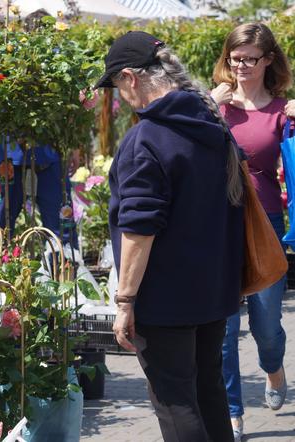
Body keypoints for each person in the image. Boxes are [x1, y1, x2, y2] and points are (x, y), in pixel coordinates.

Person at [97, 31, 244, 441]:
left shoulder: (147, 138)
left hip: (165, 298)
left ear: (130, 77)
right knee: (208, 390)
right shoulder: (210, 122)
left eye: (116, 86)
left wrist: (125, 301)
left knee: (175, 400)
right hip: (213, 289)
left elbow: (139, 229)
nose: (119, 96)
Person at [210, 22, 294, 441]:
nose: (240, 66)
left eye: (249, 59)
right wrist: (207, 105)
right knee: (224, 327)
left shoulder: (282, 111)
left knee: (266, 324)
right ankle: (232, 411)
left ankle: (274, 369)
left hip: (266, 226)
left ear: (268, 61)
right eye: (234, 58)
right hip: (220, 225)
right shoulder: (214, 106)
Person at [0, 138, 75, 253]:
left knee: (63, 230)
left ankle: (64, 266)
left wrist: (76, 148)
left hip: (49, 161)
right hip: (3, 161)